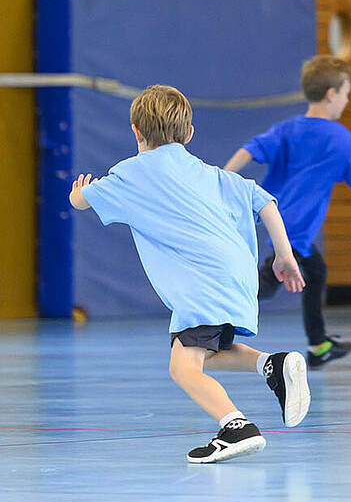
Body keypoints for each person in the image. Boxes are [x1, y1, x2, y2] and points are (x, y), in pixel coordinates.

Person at [68, 84, 312, 464]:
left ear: (135, 131)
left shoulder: (130, 175)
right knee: (207, 355)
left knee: (182, 368)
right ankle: (273, 365)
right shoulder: (212, 174)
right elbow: (264, 201)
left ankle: (235, 426)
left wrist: (78, 193)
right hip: (238, 275)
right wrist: (284, 256)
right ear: (190, 134)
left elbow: (83, 202)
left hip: (202, 283)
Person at [224, 54, 351, 367]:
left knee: (314, 272)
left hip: (277, 218)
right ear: (331, 94)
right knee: (268, 284)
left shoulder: (287, 129)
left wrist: (224, 180)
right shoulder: (340, 138)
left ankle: (319, 344)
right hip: (295, 228)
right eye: (347, 94)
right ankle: (215, 307)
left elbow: (248, 149)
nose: (347, 101)